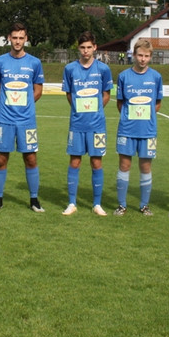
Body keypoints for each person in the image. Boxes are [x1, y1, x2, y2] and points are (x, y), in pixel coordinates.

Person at [0, 23, 46, 212]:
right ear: (9, 38)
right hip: (4, 120)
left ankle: (34, 200)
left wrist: (26, 104)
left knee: (30, 158)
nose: (18, 41)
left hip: (27, 120)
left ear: (26, 39)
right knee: (1, 159)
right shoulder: (0, 62)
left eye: (21, 37)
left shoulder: (34, 63)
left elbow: (38, 89)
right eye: (15, 37)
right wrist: (5, 103)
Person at [62, 31, 114, 216]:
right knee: (75, 162)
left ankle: (97, 204)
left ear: (95, 47)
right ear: (78, 48)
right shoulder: (69, 69)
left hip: (97, 124)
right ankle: (71, 203)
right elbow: (69, 94)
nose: (85, 51)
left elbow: (107, 93)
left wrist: (97, 108)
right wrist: (79, 108)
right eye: (82, 47)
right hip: (77, 124)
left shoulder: (103, 69)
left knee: (96, 162)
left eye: (89, 47)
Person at [113, 39, 163, 216]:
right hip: (127, 129)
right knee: (124, 166)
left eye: (146, 56)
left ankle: (144, 205)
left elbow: (157, 104)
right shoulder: (124, 76)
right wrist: (130, 117)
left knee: (145, 167)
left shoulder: (156, 77)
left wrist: (145, 116)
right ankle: (121, 205)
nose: (143, 59)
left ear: (151, 57)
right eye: (140, 55)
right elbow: (120, 103)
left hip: (148, 131)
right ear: (134, 55)